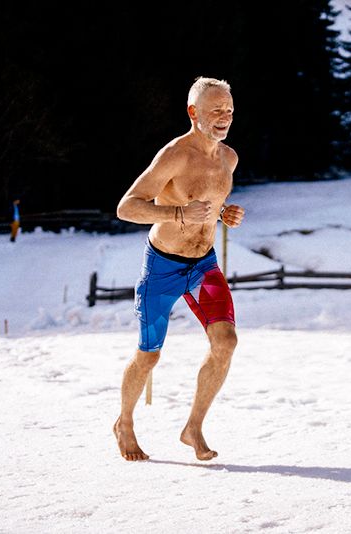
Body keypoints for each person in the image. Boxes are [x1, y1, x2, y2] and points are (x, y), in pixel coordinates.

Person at [114, 77, 245, 462]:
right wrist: (176, 213)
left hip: (204, 267)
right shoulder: (174, 154)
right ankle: (124, 422)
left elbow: (209, 200)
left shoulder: (229, 158)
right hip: (163, 266)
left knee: (226, 342)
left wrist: (225, 214)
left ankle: (193, 427)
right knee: (148, 355)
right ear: (193, 113)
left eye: (230, 111)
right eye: (216, 111)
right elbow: (127, 206)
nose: (224, 118)